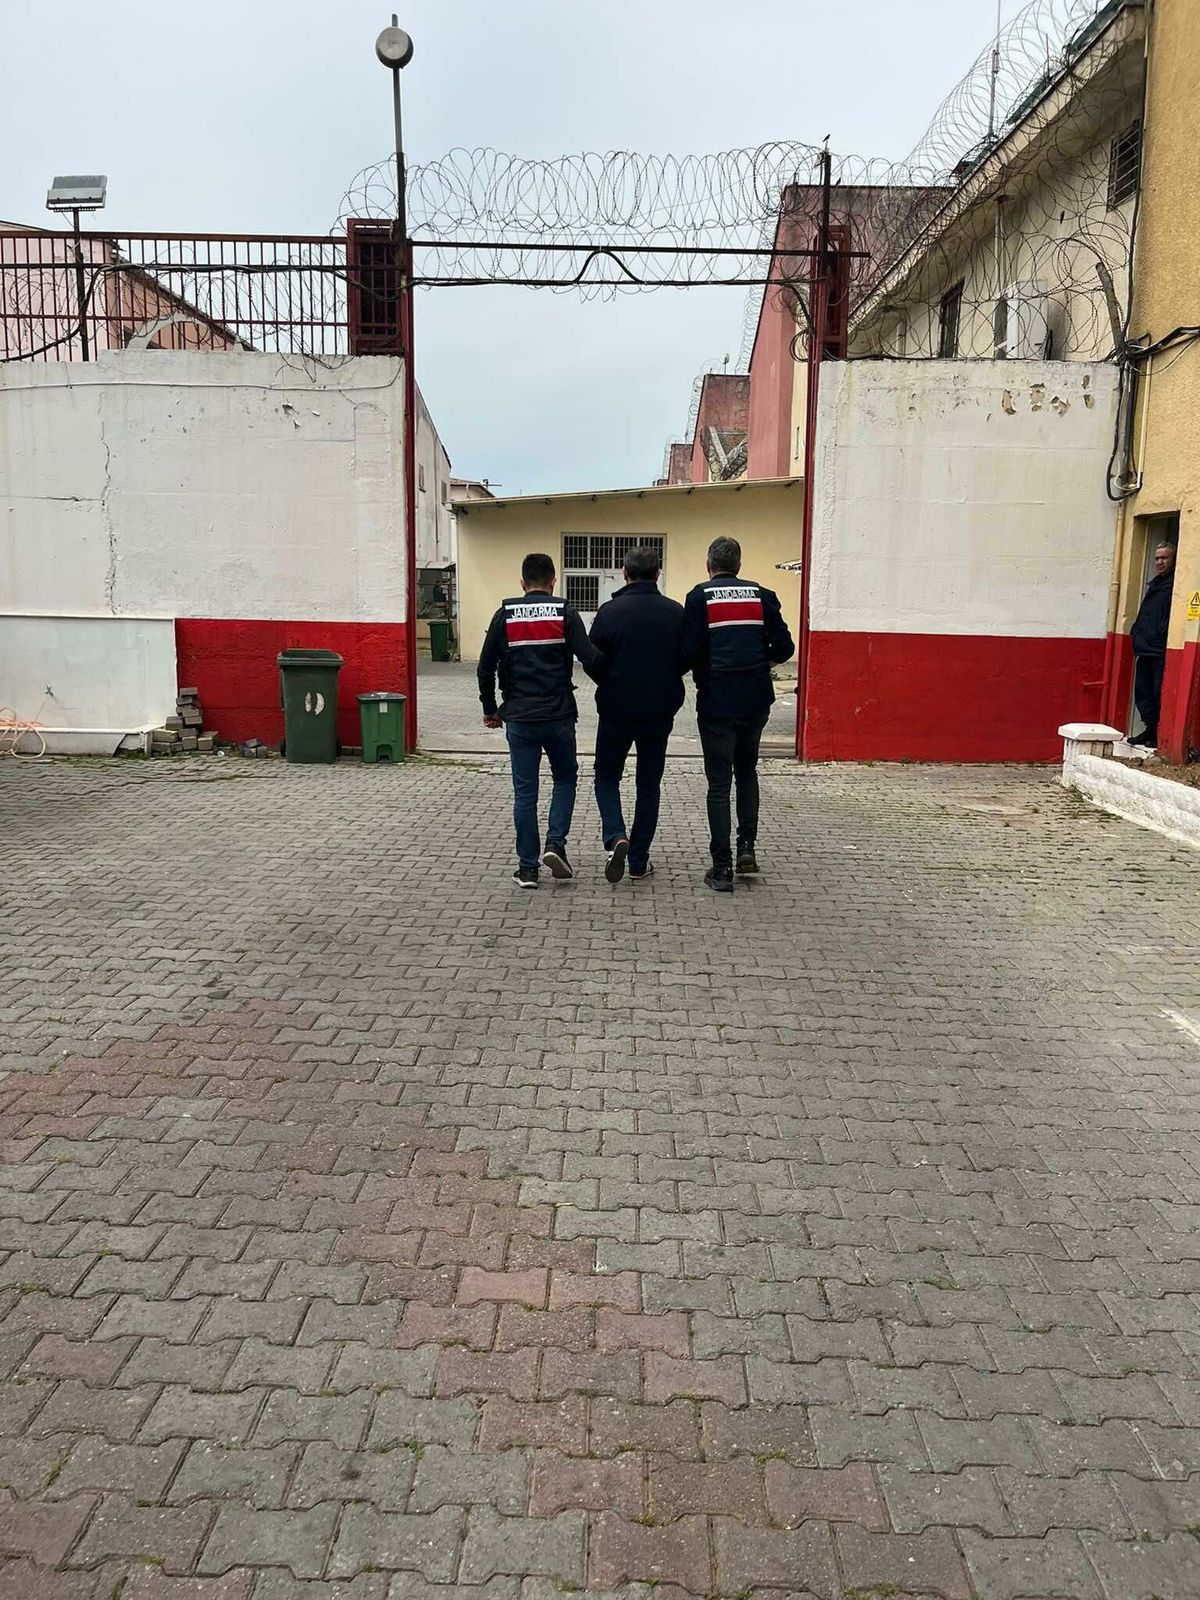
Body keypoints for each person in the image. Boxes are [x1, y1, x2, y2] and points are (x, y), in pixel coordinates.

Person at [478, 552, 604, 887]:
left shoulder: (505, 615)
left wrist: (491, 709)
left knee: (525, 792)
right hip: (559, 715)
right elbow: (590, 658)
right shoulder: (565, 612)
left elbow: (485, 667)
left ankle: (528, 868)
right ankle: (556, 844)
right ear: (553, 581)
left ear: (522, 583)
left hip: (519, 717)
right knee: (565, 779)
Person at [683, 536, 795, 892]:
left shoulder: (699, 597)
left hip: (716, 702)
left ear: (708, 566)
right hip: (755, 701)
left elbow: (688, 651)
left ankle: (721, 867)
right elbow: (785, 647)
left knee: (719, 784)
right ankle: (747, 848)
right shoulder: (762, 596)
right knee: (746, 772)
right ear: (739, 566)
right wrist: (761, 666)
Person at [588, 546, 687, 883]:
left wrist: (610, 681)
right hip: (659, 711)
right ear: (657, 574)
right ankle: (639, 861)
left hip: (616, 709)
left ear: (625, 573)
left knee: (606, 776)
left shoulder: (609, 612)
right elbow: (687, 656)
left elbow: (592, 658)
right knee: (648, 785)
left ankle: (616, 834)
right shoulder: (675, 612)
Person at [1130, 541, 1176, 747]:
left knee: (1158, 693)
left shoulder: (1173, 586)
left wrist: (1161, 633)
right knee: (1143, 691)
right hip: (1145, 647)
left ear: (1173, 559)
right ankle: (1149, 729)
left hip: (1159, 649)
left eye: (1164, 558)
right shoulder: (1155, 584)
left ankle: (1157, 734)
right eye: (1157, 558)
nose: (1159, 562)